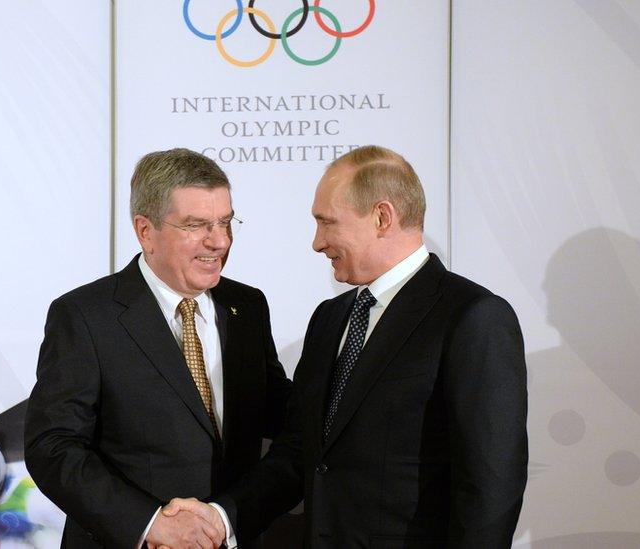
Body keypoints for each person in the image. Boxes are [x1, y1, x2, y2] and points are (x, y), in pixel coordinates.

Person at [168, 145, 528, 547]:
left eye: (327, 223)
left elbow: (491, 485)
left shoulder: (472, 318)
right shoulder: (330, 318)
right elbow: (299, 452)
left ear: (382, 217)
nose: (317, 243)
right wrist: (222, 518)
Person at [24, 148, 291, 548]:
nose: (219, 241)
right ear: (145, 231)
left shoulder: (248, 307)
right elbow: (53, 446)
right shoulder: (85, 317)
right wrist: (151, 523)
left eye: (225, 222)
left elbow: (278, 416)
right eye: (196, 225)